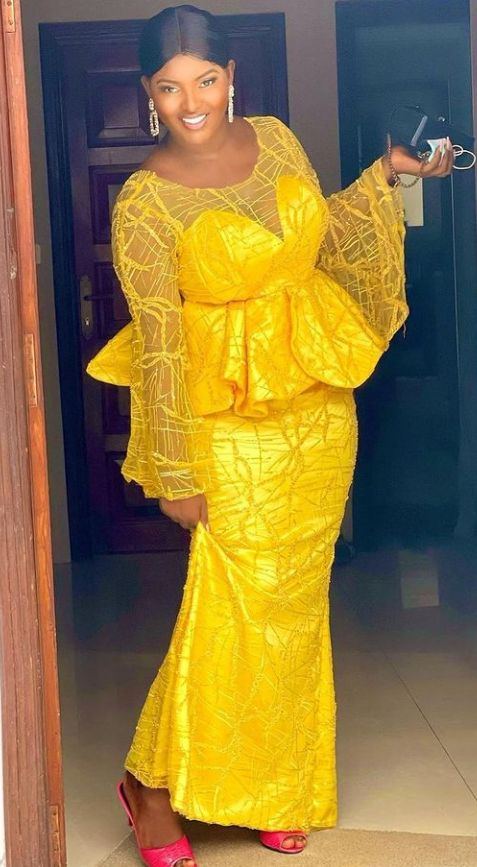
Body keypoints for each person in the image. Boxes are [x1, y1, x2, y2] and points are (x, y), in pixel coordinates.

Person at [86, 6, 454, 866]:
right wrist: (174, 468)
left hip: (315, 409)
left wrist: (388, 175)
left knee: (292, 607)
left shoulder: (279, 141)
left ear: (232, 79)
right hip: (225, 426)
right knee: (230, 606)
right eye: (169, 87)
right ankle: (152, 788)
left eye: (205, 80)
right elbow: (160, 345)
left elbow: (315, 237)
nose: (191, 103)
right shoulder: (143, 204)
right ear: (147, 94)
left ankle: (270, 783)